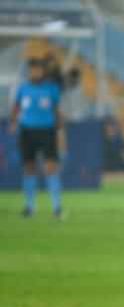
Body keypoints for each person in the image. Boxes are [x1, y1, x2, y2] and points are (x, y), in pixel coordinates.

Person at [10, 57, 64, 219]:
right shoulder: (22, 88)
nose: (35, 72)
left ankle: (57, 207)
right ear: (29, 71)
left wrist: (60, 125)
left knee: (51, 168)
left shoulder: (52, 89)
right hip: (27, 131)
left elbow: (56, 109)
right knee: (29, 168)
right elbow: (16, 107)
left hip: (47, 130)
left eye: (38, 69)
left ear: (43, 71)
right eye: (33, 69)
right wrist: (13, 122)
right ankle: (30, 207)